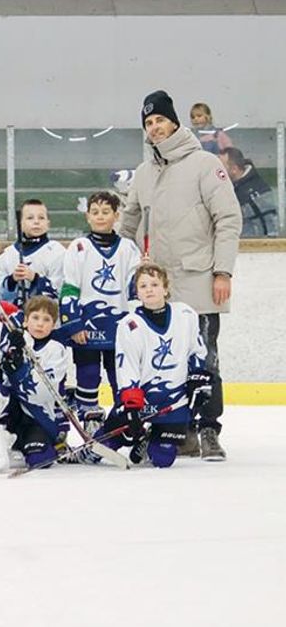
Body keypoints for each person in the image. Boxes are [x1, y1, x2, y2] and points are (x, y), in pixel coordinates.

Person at [121, 90, 241, 461]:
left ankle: (209, 430)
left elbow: (228, 219)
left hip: (200, 278)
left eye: (159, 120)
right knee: (168, 357)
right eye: (148, 123)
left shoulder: (205, 165)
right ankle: (182, 429)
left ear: (174, 121)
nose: (154, 128)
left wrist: (223, 271)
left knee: (205, 358)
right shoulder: (144, 173)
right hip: (160, 285)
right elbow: (128, 223)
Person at [97, 263, 212, 468]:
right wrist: (131, 408)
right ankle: (101, 441)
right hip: (142, 399)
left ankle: (149, 439)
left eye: (154, 284)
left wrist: (197, 377)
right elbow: (127, 366)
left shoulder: (185, 315)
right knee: (104, 444)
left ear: (166, 289)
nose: (149, 289)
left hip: (173, 400)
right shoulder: (130, 324)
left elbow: (197, 350)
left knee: (163, 459)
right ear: (136, 293)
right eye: (143, 286)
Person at [60, 191, 141, 417]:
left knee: (120, 375)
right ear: (87, 216)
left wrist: (141, 273)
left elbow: (134, 291)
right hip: (86, 326)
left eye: (106, 212)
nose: (100, 216)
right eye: (95, 212)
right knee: (88, 373)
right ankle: (90, 417)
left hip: (119, 327)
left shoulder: (128, 248)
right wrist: (73, 323)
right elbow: (69, 288)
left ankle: (122, 418)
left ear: (117, 215)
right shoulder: (79, 247)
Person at [0, 296, 71, 469]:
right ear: (25, 321)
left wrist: (20, 366)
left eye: (46, 320)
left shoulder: (56, 350)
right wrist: (12, 354)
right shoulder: (16, 339)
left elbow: (41, 393)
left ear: (53, 325)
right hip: (12, 412)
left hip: (36, 416)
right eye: (35, 318)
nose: (40, 324)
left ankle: (38, 445)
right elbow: (4, 376)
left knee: (40, 460)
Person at [0, 198, 64, 308]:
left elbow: (61, 289)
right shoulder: (7, 255)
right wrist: (11, 280)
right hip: (13, 320)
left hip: (45, 320)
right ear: (20, 223)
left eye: (41, 218)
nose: (36, 222)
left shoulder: (58, 252)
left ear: (48, 223)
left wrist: (35, 279)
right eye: (30, 218)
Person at [219, 147, 279, 237]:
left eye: (221, 168)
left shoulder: (254, 193)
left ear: (234, 169)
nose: (218, 171)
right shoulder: (233, 187)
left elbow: (267, 228)